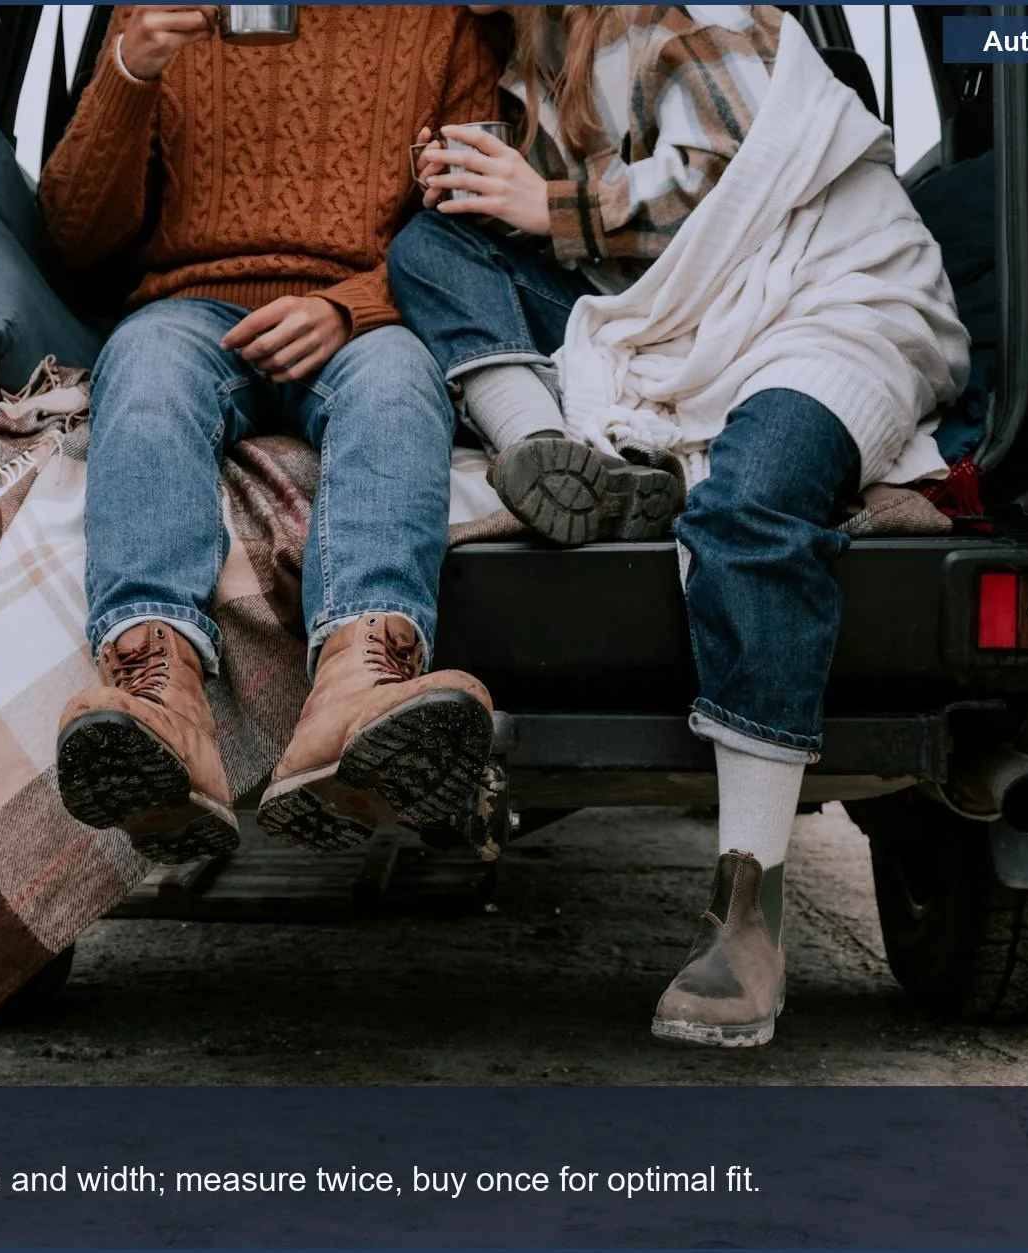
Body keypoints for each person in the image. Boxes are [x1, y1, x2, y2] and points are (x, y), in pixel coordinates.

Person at [387, 5, 969, 1046]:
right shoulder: (528, 55)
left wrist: (547, 204)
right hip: (681, 315)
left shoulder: (686, 11)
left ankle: (746, 909)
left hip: (826, 297)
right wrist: (483, 186)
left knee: (748, 507)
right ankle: (546, 451)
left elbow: (738, 180)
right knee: (431, 246)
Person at [39, 5, 504, 864]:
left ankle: (360, 688)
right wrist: (129, 71)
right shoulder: (151, 15)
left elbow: (473, 226)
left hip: (360, 309)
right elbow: (72, 236)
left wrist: (351, 307)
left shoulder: (444, 25)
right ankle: (161, 695)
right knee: (140, 369)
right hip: (189, 308)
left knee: (402, 384)